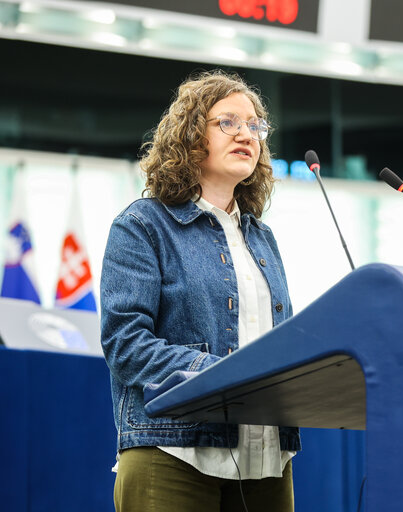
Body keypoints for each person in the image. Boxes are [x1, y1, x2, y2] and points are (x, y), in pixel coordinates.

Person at [100, 70, 299, 512]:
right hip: (173, 453)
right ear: (190, 136)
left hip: (266, 459)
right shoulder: (142, 226)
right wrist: (228, 374)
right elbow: (125, 344)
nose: (247, 134)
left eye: (255, 126)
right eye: (229, 122)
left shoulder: (262, 238)